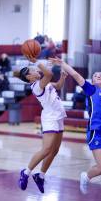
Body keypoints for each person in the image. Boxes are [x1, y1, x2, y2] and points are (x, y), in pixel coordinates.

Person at [50, 57, 101, 201]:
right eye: (95, 75)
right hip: (95, 131)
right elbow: (76, 75)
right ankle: (86, 176)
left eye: (100, 75)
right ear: (93, 80)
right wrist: (62, 64)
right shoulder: (91, 90)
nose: (99, 76)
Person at [17, 57, 67, 193]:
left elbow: (58, 86)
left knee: (54, 151)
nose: (36, 70)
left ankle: (41, 175)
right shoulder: (37, 86)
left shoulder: (44, 83)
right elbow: (49, 74)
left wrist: (63, 76)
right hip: (50, 118)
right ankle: (26, 172)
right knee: (46, 149)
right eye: (33, 70)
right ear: (29, 77)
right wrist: (35, 60)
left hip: (59, 116)